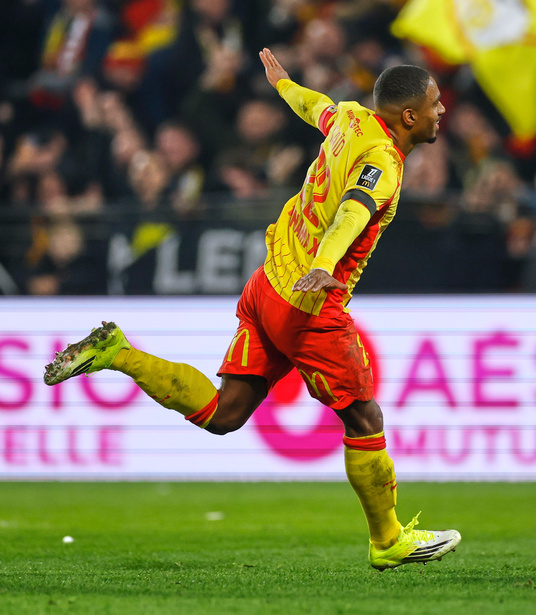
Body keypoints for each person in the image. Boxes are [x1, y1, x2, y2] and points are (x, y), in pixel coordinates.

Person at [43, 47, 460, 572]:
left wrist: (284, 84)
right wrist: (328, 262)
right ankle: (387, 540)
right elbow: (354, 210)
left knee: (226, 414)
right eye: (435, 103)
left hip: (266, 283)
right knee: (364, 414)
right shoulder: (383, 161)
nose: (442, 111)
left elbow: (316, 107)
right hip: (308, 302)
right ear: (409, 116)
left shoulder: (351, 118)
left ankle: (120, 354)